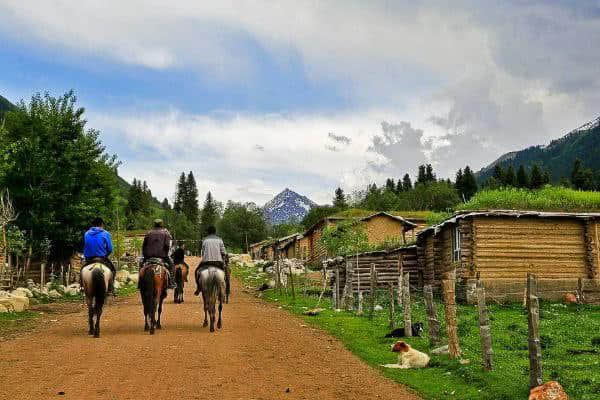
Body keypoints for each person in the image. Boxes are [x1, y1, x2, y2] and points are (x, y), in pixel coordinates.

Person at [83, 217, 117, 295]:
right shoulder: (105, 233)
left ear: (93, 225)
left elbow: (86, 246)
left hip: (89, 258)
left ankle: (82, 287)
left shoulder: (86, 233)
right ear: (102, 224)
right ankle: (110, 289)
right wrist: (106, 255)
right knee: (113, 270)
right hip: (102, 257)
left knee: (82, 269)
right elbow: (110, 248)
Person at [141, 219, 176, 289]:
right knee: (172, 265)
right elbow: (167, 245)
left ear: (154, 224)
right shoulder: (166, 233)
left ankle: (140, 283)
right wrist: (165, 254)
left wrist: (145, 256)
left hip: (149, 257)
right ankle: (171, 282)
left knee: (141, 265)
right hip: (162, 256)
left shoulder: (148, 233)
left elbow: (144, 246)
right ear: (162, 224)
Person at [194, 225, 228, 296]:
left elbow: (202, 252)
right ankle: (226, 289)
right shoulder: (219, 239)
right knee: (226, 274)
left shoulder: (205, 240)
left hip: (206, 262)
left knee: (196, 272)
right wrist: (224, 256)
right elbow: (223, 251)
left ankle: (198, 288)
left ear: (208, 232)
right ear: (215, 232)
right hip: (218, 262)